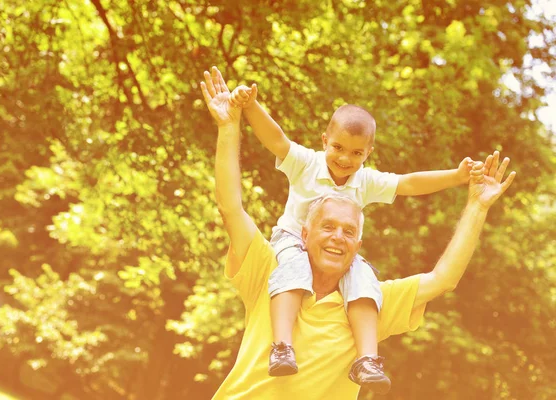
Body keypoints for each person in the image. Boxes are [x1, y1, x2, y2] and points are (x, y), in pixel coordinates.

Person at [200, 66, 515, 399]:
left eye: (349, 231)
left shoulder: (366, 301)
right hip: (287, 249)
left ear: (359, 242)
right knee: (292, 269)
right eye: (328, 227)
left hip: (352, 283)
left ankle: (367, 361)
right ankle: (282, 347)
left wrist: (472, 199)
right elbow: (232, 204)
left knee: (365, 280)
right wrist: (233, 121)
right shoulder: (269, 271)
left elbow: (442, 277)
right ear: (307, 232)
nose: (338, 236)